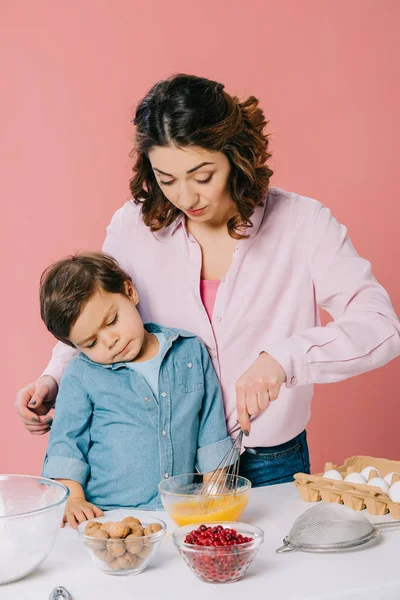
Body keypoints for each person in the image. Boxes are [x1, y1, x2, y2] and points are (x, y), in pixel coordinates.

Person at [16, 74, 400, 488]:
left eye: (202, 177)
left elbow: (380, 326)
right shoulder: (132, 226)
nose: (186, 197)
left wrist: (284, 360)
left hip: (269, 461)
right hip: (165, 463)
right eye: (166, 179)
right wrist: (53, 377)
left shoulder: (303, 224)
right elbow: (97, 310)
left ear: (236, 156)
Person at [39, 252, 233, 527]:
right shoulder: (81, 374)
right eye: (91, 343)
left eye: (111, 321)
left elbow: (211, 429)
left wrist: (214, 492)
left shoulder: (189, 351)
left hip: (180, 510)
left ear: (129, 292)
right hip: (108, 515)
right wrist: (73, 499)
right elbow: (67, 443)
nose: (110, 341)